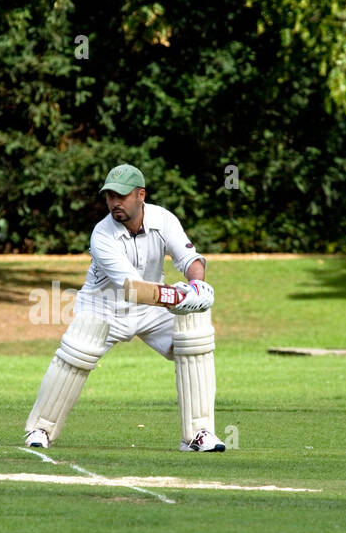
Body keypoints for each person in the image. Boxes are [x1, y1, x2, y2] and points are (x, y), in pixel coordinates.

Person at [24, 163, 225, 452]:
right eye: (109, 197)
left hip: (151, 310)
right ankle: (40, 429)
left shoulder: (163, 219)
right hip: (103, 308)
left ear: (140, 194)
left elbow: (190, 260)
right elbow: (134, 288)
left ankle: (198, 434)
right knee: (75, 355)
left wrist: (197, 287)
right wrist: (180, 298)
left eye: (122, 196)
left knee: (196, 335)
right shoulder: (102, 234)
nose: (114, 203)